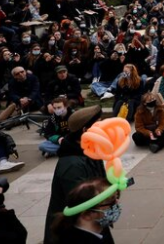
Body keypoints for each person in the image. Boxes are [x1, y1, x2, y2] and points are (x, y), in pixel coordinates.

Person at [44, 104, 105, 244]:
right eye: (98, 125)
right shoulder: (71, 164)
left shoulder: (91, 151)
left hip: (92, 223)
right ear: (85, 130)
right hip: (73, 232)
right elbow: (81, 201)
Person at [51, 178, 119, 243]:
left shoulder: (100, 231)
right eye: (111, 201)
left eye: (116, 198)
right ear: (87, 215)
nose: (117, 203)